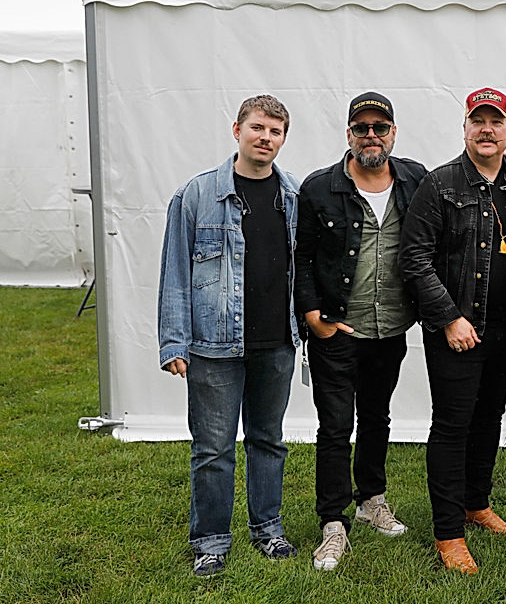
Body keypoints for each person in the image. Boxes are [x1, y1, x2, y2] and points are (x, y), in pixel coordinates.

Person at [157, 94, 301, 577]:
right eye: (258, 128)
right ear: (236, 129)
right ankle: (212, 541)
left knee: (268, 440)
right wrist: (173, 342)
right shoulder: (196, 195)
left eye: (275, 131)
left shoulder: (293, 195)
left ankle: (268, 529)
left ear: (283, 138)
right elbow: (174, 272)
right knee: (212, 448)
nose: (266, 138)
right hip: (213, 346)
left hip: (277, 343)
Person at [294, 92, 427, 571]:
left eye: (380, 127)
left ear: (393, 132)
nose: (371, 135)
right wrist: (312, 314)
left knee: (377, 417)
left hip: (391, 325)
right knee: (335, 426)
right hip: (337, 328)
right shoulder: (319, 188)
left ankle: (372, 500)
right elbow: (302, 257)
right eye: (361, 128)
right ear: (348, 134)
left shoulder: (416, 179)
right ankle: (333, 522)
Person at [399, 87, 506, 574]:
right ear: (465, 128)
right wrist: (449, 318)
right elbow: (414, 259)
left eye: (496, 121)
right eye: (479, 121)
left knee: (489, 416)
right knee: (452, 426)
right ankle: (449, 532)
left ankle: (477, 504)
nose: (487, 129)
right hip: (456, 328)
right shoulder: (440, 184)